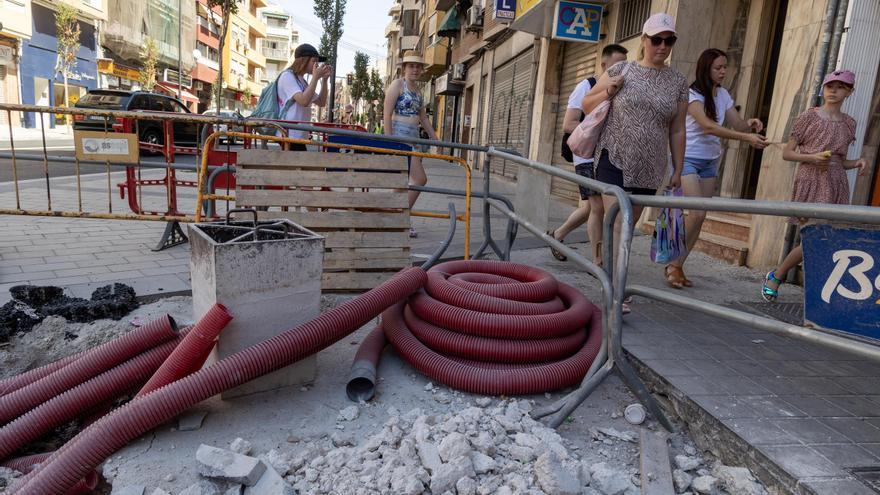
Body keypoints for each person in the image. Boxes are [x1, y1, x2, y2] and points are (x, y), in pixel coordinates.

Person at [582, 13, 689, 313]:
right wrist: (608, 90)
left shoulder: (678, 82)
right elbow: (587, 104)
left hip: (651, 164)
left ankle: (614, 279)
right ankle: (617, 290)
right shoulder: (621, 69)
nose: (663, 46)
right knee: (617, 221)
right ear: (644, 40)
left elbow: (678, 128)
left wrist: (678, 168)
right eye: (657, 40)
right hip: (613, 156)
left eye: (669, 41)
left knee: (628, 226)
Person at [664, 48, 768, 288]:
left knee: (700, 218)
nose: (723, 72)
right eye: (718, 68)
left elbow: (736, 124)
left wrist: (749, 124)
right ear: (705, 69)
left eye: (724, 67)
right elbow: (708, 127)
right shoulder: (692, 95)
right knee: (697, 213)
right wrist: (747, 140)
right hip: (687, 158)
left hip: (710, 161)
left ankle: (678, 265)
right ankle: (673, 262)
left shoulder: (722, 95)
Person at [761, 70, 867, 302]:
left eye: (840, 87)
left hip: (836, 182)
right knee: (814, 235)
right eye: (830, 85)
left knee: (827, 237)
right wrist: (812, 158)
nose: (834, 90)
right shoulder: (808, 117)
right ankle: (777, 276)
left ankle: (814, 288)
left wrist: (857, 162)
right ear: (824, 88)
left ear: (849, 92)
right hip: (811, 179)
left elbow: (840, 160)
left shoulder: (849, 123)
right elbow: (787, 154)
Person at [547, 44, 629, 264]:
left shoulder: (624, 88)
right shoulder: (587, 86)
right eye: (618, 63)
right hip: (586, 156)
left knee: (589, 208)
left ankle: (558, 235)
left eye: (626, 63)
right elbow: (568, 124)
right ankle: (597, 259)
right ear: (604, 65)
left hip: (607, 157)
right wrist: (598, 133)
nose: (623, 68)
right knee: (598, 207)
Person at [383, 51, 438, 238]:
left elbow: (423, 117)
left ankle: (387, 219)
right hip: (399, 140)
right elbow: (386, 114)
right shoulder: (397, 85)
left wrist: (435, 138)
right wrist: (389, 141)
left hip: (413, 140)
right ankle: (400, 218)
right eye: (411, 65)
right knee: (420, 179)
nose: (415, 69)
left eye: (418, 66)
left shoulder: (418, 91)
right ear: (404, 67)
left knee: (400, 184)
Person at [278, 43, 332, 150]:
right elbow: (303, 100)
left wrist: (325, 80)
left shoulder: (302, 80)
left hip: (298, 135)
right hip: (289, 134)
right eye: (314, 61)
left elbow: (321, 102)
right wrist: (316, 78)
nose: (316, 65)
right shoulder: (287, 76)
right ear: (303, 60)